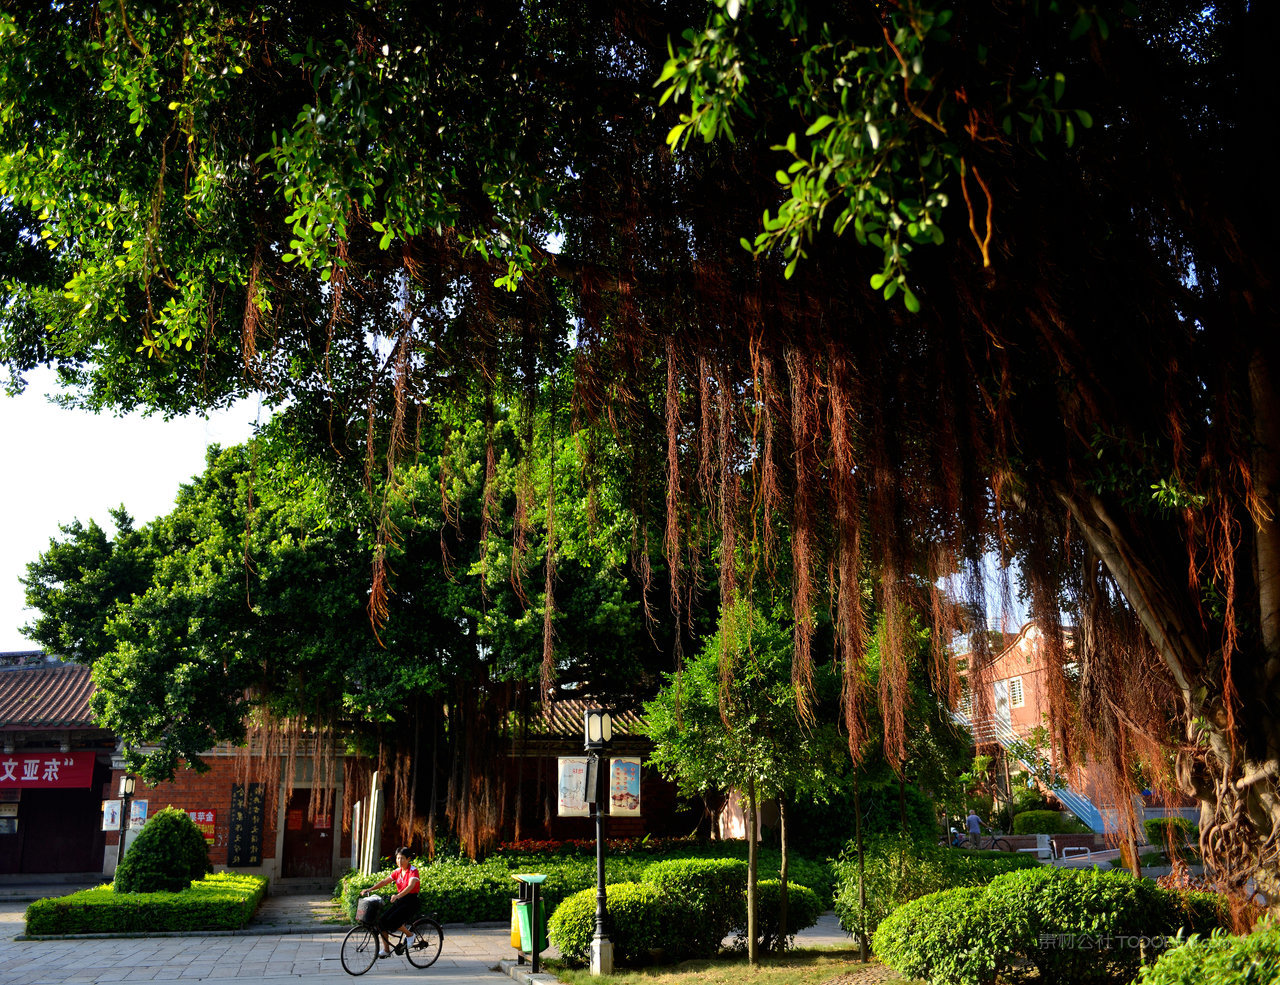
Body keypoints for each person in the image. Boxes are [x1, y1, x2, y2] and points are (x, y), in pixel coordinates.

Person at [359, 847, 421, 958]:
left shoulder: (413, 871)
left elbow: (411, 886)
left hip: (411, 901)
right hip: (401, 900)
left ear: (408, 859)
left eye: (402, 858)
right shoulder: (398, 872)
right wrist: (370, 889)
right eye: (398, 858)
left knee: (394, 922)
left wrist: (397, 895)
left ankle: (410, 935)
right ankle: (386, 950)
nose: (399, 861)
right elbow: (384, 881)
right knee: (381, 922)